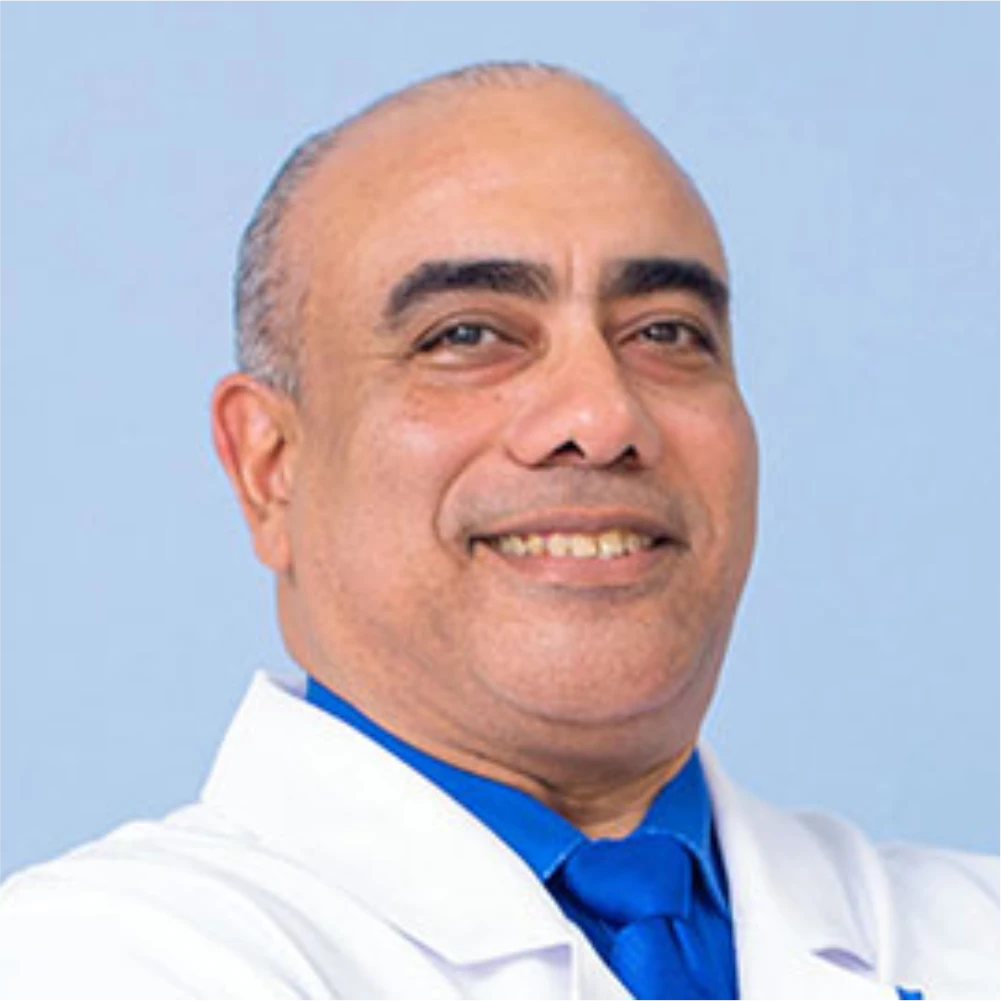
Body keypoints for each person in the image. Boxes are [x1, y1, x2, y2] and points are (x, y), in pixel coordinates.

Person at [0, 62, 998, 1001]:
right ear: (271, 464)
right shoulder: (95, 956)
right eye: (466, 335)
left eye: (665, 332)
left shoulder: (969, 922)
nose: (602, 417)